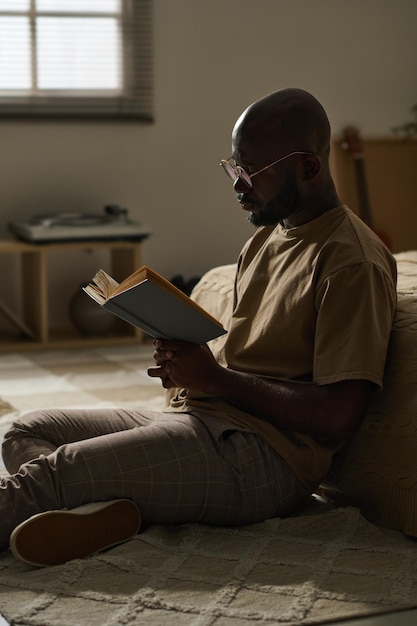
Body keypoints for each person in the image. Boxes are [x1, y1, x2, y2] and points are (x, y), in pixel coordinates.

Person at [1, 88, 397, 568]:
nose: (238, 185)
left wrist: (215, 379)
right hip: (202, 417)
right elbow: (245, 358)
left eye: (250, 171)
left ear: (308, 167)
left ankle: (92, 499)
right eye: (233, 168)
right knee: (25, 430)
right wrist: (188, 367)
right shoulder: (268, 237)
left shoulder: (350, 260)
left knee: (54, 473)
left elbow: (339, 417)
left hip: (261, 459)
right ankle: (106, 514)